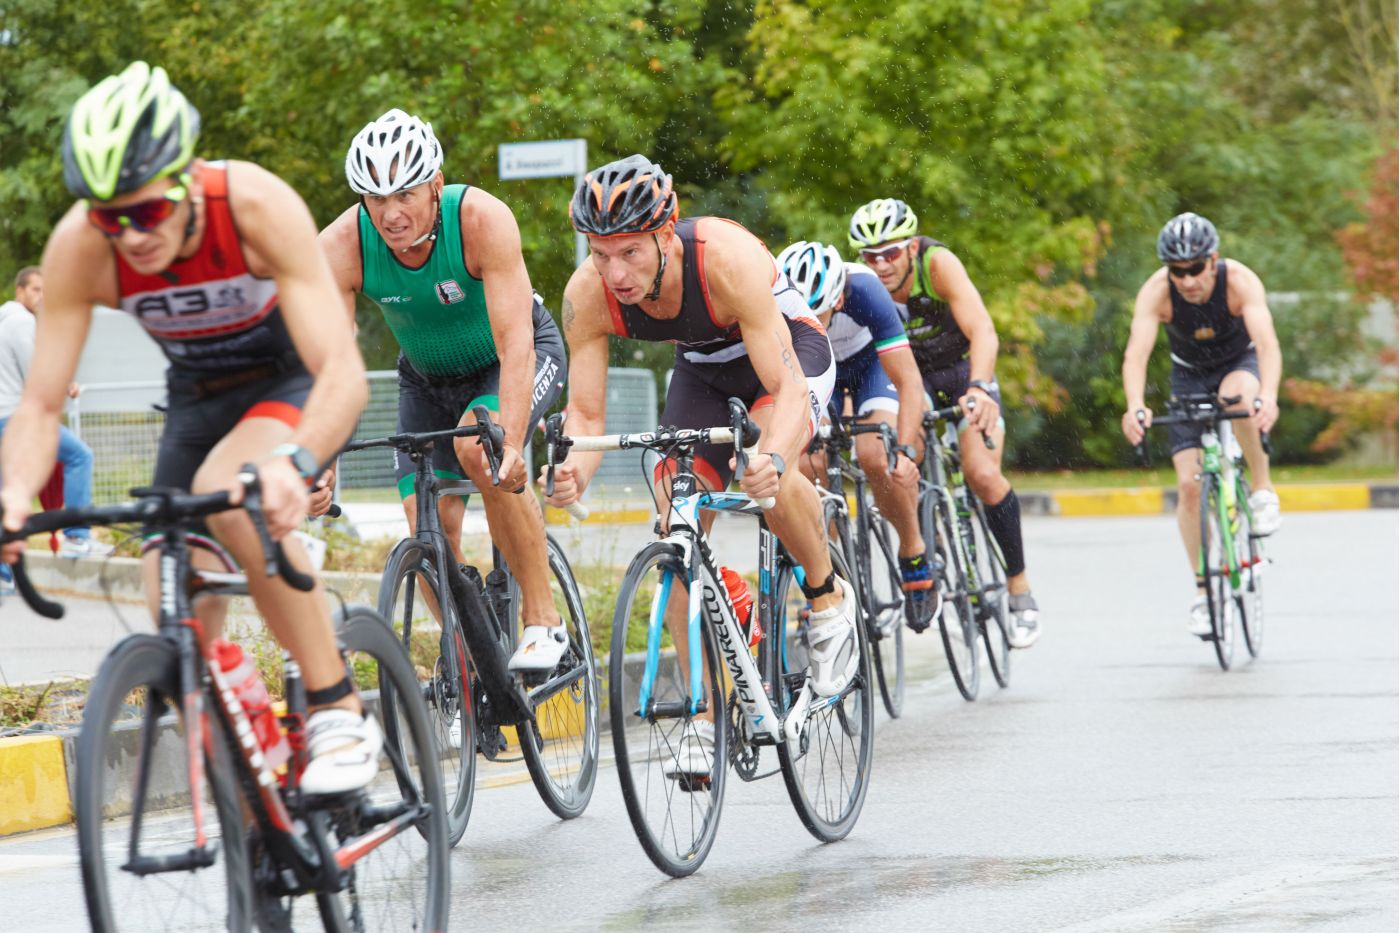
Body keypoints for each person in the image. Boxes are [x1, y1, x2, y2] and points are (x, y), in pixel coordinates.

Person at [0, 62, 378, 795]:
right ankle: (256, 806)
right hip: (196, 399)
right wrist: (15, 493)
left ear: (187, 177)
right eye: (111, 218)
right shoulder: (85, 244)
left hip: (289, 380)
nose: (129, 235)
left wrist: (297, 461)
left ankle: (336, 705)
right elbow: (41, 404)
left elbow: (343, 370)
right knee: (170, 603)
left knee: (227, 494)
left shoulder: (254, 206)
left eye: (146, 212)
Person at [543, 155, 856, 772]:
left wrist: (770, 456)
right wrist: (575, 466)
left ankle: (826, 597)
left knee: (769, 473)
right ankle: (703, 717)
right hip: (703, 375)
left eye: (630, 252)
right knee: (673, 528)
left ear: (666, 234)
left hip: (787, 358)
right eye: (600, 253)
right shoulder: (587, 293)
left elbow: (788, 388)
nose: (615, 272)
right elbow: (584, 411)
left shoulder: (726, 258)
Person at [318, 108, 569, 672]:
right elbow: (332, 366)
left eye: (404, 194)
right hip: (426, 379)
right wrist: (322, 460)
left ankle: (543, 618)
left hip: (511, 360)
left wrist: (511, 440)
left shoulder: (481, 220)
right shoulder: (341, 245)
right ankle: (468, 655)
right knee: (427, 524)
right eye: (375, 198)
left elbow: (515, 346)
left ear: (435, 186)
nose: (390, 213)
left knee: (479, 451)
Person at [848, 197, 1041, 648]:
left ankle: (1019, 587)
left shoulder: (939, 264)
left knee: (981, 472)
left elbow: (984, 332)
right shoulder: (864, 288)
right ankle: (924, 538)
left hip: (961, 374)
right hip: (907, 381)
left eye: (891, 253)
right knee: (901, 461)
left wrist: (979, 386)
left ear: (912, 247)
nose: (881, 265)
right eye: (870, 257)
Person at [1120, 212, 1282, 637]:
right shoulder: (1156, 293)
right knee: (1190, 488)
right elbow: (1136, 355)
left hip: (1238, 364)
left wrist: (1269, 395)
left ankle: (1262, 489)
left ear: (1213, 260)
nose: (1187, 281)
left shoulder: (1240, 282)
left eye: (1194, 269)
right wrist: (1135, 405)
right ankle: (1202, 592)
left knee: (1237, 398)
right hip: (1189, 375)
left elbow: (1267, 344)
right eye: (1177, 271)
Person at [776, 240, 938, 631]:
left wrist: (903, 448)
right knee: (805, 462)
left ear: (840, 295)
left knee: (874, 454)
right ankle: (828, 575)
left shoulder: (865, 289)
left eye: (821, 314)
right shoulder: (773, 298)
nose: (812, 320)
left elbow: (909, 380)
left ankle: (913, 550)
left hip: (870, 367)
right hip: (817, 368)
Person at [0, 268, 110, 559]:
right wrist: (67, 386)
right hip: (16, 418)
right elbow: (37, 374)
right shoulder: (21, 322)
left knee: (5, 492)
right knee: (79, 456)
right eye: (36, 290)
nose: (42, 297)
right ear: (19, 291)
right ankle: (76, 537)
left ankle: (2, 575)